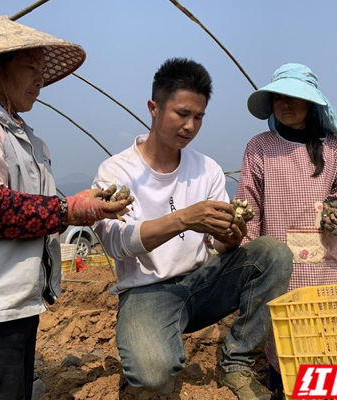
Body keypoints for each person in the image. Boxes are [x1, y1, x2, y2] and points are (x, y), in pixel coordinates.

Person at [0, 15, 130, 400]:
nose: (40, 80)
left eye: (41, 69)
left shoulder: (26, 139)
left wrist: (88, 204)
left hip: (15, 300)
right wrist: (68, 210)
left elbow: (41, 207)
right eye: (30, 68)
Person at [92, 57, 293, 400]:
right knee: (153, 374)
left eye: (198, 117)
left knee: (273, 253)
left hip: (202, 283)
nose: (190, 126)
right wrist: (183, 219)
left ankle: (236, 362)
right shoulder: (117, 171)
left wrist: (230, 236)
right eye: (181, 114)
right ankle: (154, 342)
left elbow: (219, 246)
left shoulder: (207, 169)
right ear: (154, 108)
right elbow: (116, 243)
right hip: (148, 292)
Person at [236, 63, 337, 394]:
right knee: (288, 334)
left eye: (294, 97)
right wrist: (246, 263)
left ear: (312, 104)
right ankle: (286, 387)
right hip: (282, 262)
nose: (285, 104)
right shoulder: (260, 147)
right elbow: (248, 207)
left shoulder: (334, 147)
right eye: (278, 98)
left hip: (330, 259)